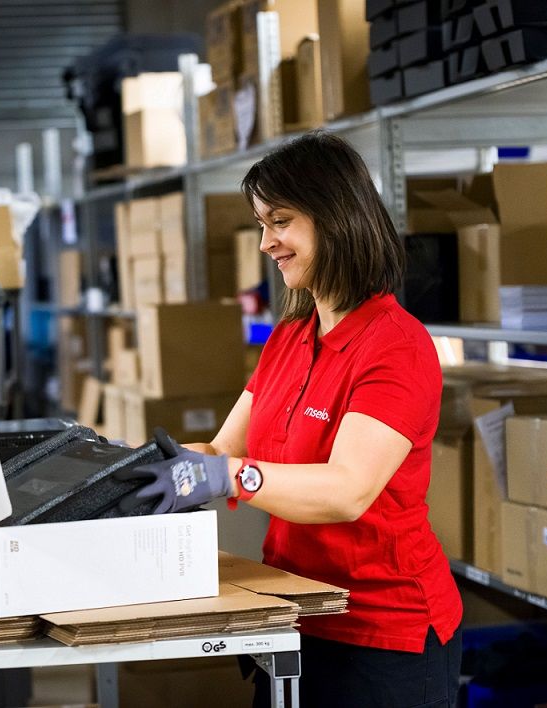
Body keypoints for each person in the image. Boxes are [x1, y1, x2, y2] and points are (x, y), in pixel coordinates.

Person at [117, 131, 463, 708]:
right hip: (295, 613)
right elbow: (224, 447)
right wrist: (132, 468)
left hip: (381, 633)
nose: (265, 242)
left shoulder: (396, 345)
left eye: (280, 221)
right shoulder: (290, 337)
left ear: (335, 218)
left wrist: (232, 477)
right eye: (261, 223)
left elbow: (348, 490)